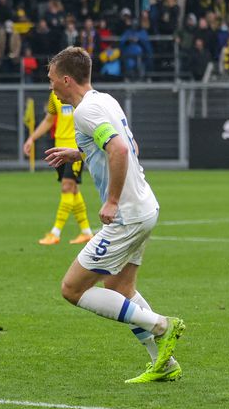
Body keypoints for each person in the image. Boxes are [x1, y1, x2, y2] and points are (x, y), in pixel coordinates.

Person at [42, 47, 185, 383]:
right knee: (120, 288)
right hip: (145, 206)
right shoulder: (105, 100)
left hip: (126, 214)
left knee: (72, 289)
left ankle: (162, 325)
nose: (51, 89)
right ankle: (163, 363)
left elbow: (120, 150)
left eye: (51, 82)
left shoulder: (84, 112)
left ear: (66, 79)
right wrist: (80, 152)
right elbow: (127, 146)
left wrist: (112, 201)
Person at [22, 91, 95, 246]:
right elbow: (49, 120)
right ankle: (86, 232)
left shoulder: (81, 94)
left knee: (67, 187)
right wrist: (32, 138)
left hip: (75, 150)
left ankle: (55, 233)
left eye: (52, 77)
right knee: (73, 190)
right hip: (59, 149)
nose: (51, 82)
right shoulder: (54, 96)